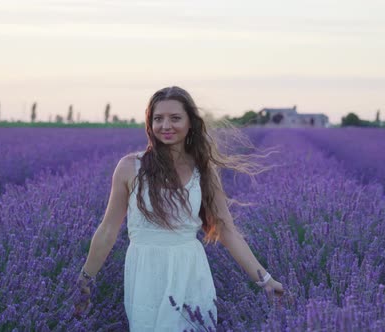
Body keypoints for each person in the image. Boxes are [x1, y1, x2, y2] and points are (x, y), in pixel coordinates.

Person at [74, 86, 285, 331]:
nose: (166, 125)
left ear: (190, 123)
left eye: (175, 118)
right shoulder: (130, 168)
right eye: (158, 118)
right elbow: (108, 230)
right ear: (149, 123)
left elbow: (227, 232)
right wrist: (85, 280)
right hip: (145, 274)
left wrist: (266, 281)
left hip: (190, 272)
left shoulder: (203, 172)